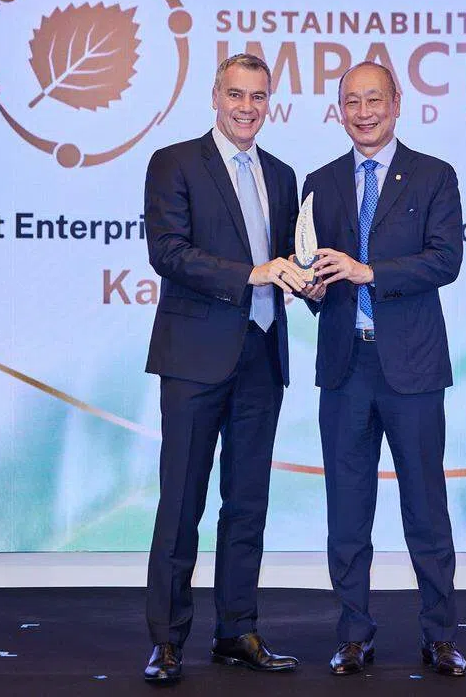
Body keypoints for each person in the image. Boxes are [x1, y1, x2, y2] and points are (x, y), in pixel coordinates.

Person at [141, 53, 309, 683]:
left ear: (270, 102)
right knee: (181, 501)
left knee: (247, 503)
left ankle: (237, 630)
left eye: (258, 96)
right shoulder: (175, 163)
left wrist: (311, 280)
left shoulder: (283, 175)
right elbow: (168, 252)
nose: (247, 107)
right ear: (215, 96)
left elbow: (288, 260)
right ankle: (166, 641)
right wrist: (250, 274)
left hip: (262, 358)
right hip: (194, 360)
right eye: (236, 94)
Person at [302, 61, 466, 677]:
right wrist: (311, 288)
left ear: (397, 102)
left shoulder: (434, 175)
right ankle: (353, 635)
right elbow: (312, 271)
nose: (364, 112)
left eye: (374, 100)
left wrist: (370, 273)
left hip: (413, 368)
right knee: (347, 510)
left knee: (426, 508)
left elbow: (445, 260)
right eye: (352, 101)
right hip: (346, 367)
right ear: (338, 110)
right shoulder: (319, 183)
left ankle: (440, 636)